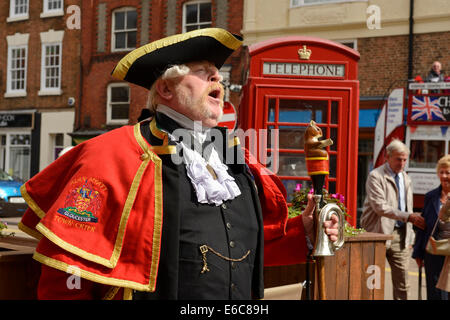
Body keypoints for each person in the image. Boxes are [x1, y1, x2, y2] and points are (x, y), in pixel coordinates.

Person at [18, 28, 339, 300]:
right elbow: (66, 276)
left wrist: (305, 234)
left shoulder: (236, 161)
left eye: (219, 73)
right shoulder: (110, 156)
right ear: (166, 88)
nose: (217, 77)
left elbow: (242, 253)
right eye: (202, 71)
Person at [360, 139, 425, 300]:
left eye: (405, 159)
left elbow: (408, 207)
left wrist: (410, 236)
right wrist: (408, 217)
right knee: (373, 283)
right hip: (377, 234)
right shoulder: (375, 176)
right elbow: (380, 207)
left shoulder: (406, 178)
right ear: (387, 157)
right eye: (398, 159)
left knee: (403, 284)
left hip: (401, 236)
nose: (402, 163)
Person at [412, 154, 450, 300]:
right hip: (433, 252)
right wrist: (418, 253)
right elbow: (423, 226)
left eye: (448, 172)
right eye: (442, 172)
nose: (444, 176)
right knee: (434, 293)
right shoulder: (430, 196)